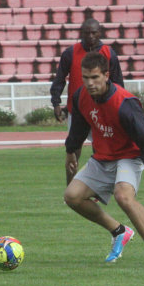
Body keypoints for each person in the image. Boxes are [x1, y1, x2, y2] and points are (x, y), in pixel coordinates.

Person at [63, 52, 144, 265]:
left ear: (106, 75)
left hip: (129, 156)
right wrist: (70, 153)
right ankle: (119, 231)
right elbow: (77, 131)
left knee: (123, 196)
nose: (90, 83)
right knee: (72, 196)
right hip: (102, 158)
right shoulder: (80, 97)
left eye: (95, 77)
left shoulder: (125, 103)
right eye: (86, 78)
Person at [50, 18, 124, 185]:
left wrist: (117, 109)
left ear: (100, 33)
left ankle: (99, 189)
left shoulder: (109, 54)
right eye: (87, 33)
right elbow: (59, 80)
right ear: (81, 33)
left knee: (102, 152)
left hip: (102, 112)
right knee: (72, 151)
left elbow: (118, 84)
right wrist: (56, 103)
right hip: (77, 112)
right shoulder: (70, 53)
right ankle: (70, 189)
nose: (90, 36)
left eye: (94, 32)